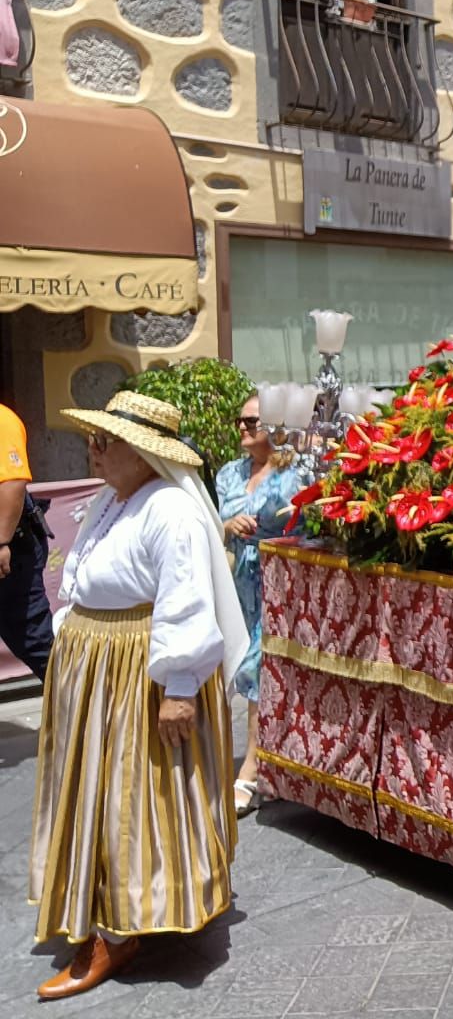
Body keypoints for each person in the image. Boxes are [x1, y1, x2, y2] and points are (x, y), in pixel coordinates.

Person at [32, 391, 248, 999]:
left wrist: (178, 688)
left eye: (105, 442)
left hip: (137, 670)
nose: (92, 450)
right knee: (95, 789)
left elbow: (186, 599)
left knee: (131, 793)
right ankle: (108, 908)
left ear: (143, 452)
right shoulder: (114, 500)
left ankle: (119, 927)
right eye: (94, 440)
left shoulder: (171, 511)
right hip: (98, 664)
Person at [216, 394, 311, 816]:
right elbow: (215, 522)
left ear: (273, 424)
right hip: (239, 581)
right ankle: (269, 760)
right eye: (239, 420)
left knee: (256, 668)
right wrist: (227, 524)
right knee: (241, 668)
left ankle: (250, 770)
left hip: (279, 579)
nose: (242, 427)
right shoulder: (228, 474)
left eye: (251, 421)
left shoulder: (295, 470)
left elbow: (310, 520)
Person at [0, 401, 54, 679]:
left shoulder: (2, 419)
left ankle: (87, 708)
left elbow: (12, 482)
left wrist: (1, 542)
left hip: (12, 549)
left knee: (35, 639)